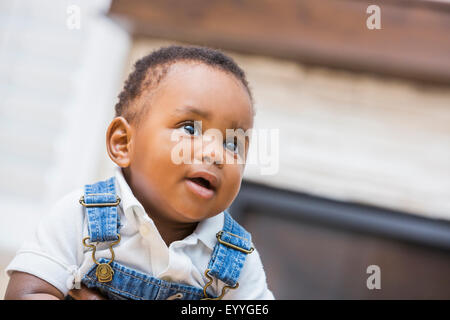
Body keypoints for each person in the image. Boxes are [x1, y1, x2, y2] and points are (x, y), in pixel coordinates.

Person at [4, 45, 274, 300]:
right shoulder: (81, 216)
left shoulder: (238, 259)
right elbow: (25, 293)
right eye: (190, 129)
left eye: (232, 143)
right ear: (123, 143)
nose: (215, 153)